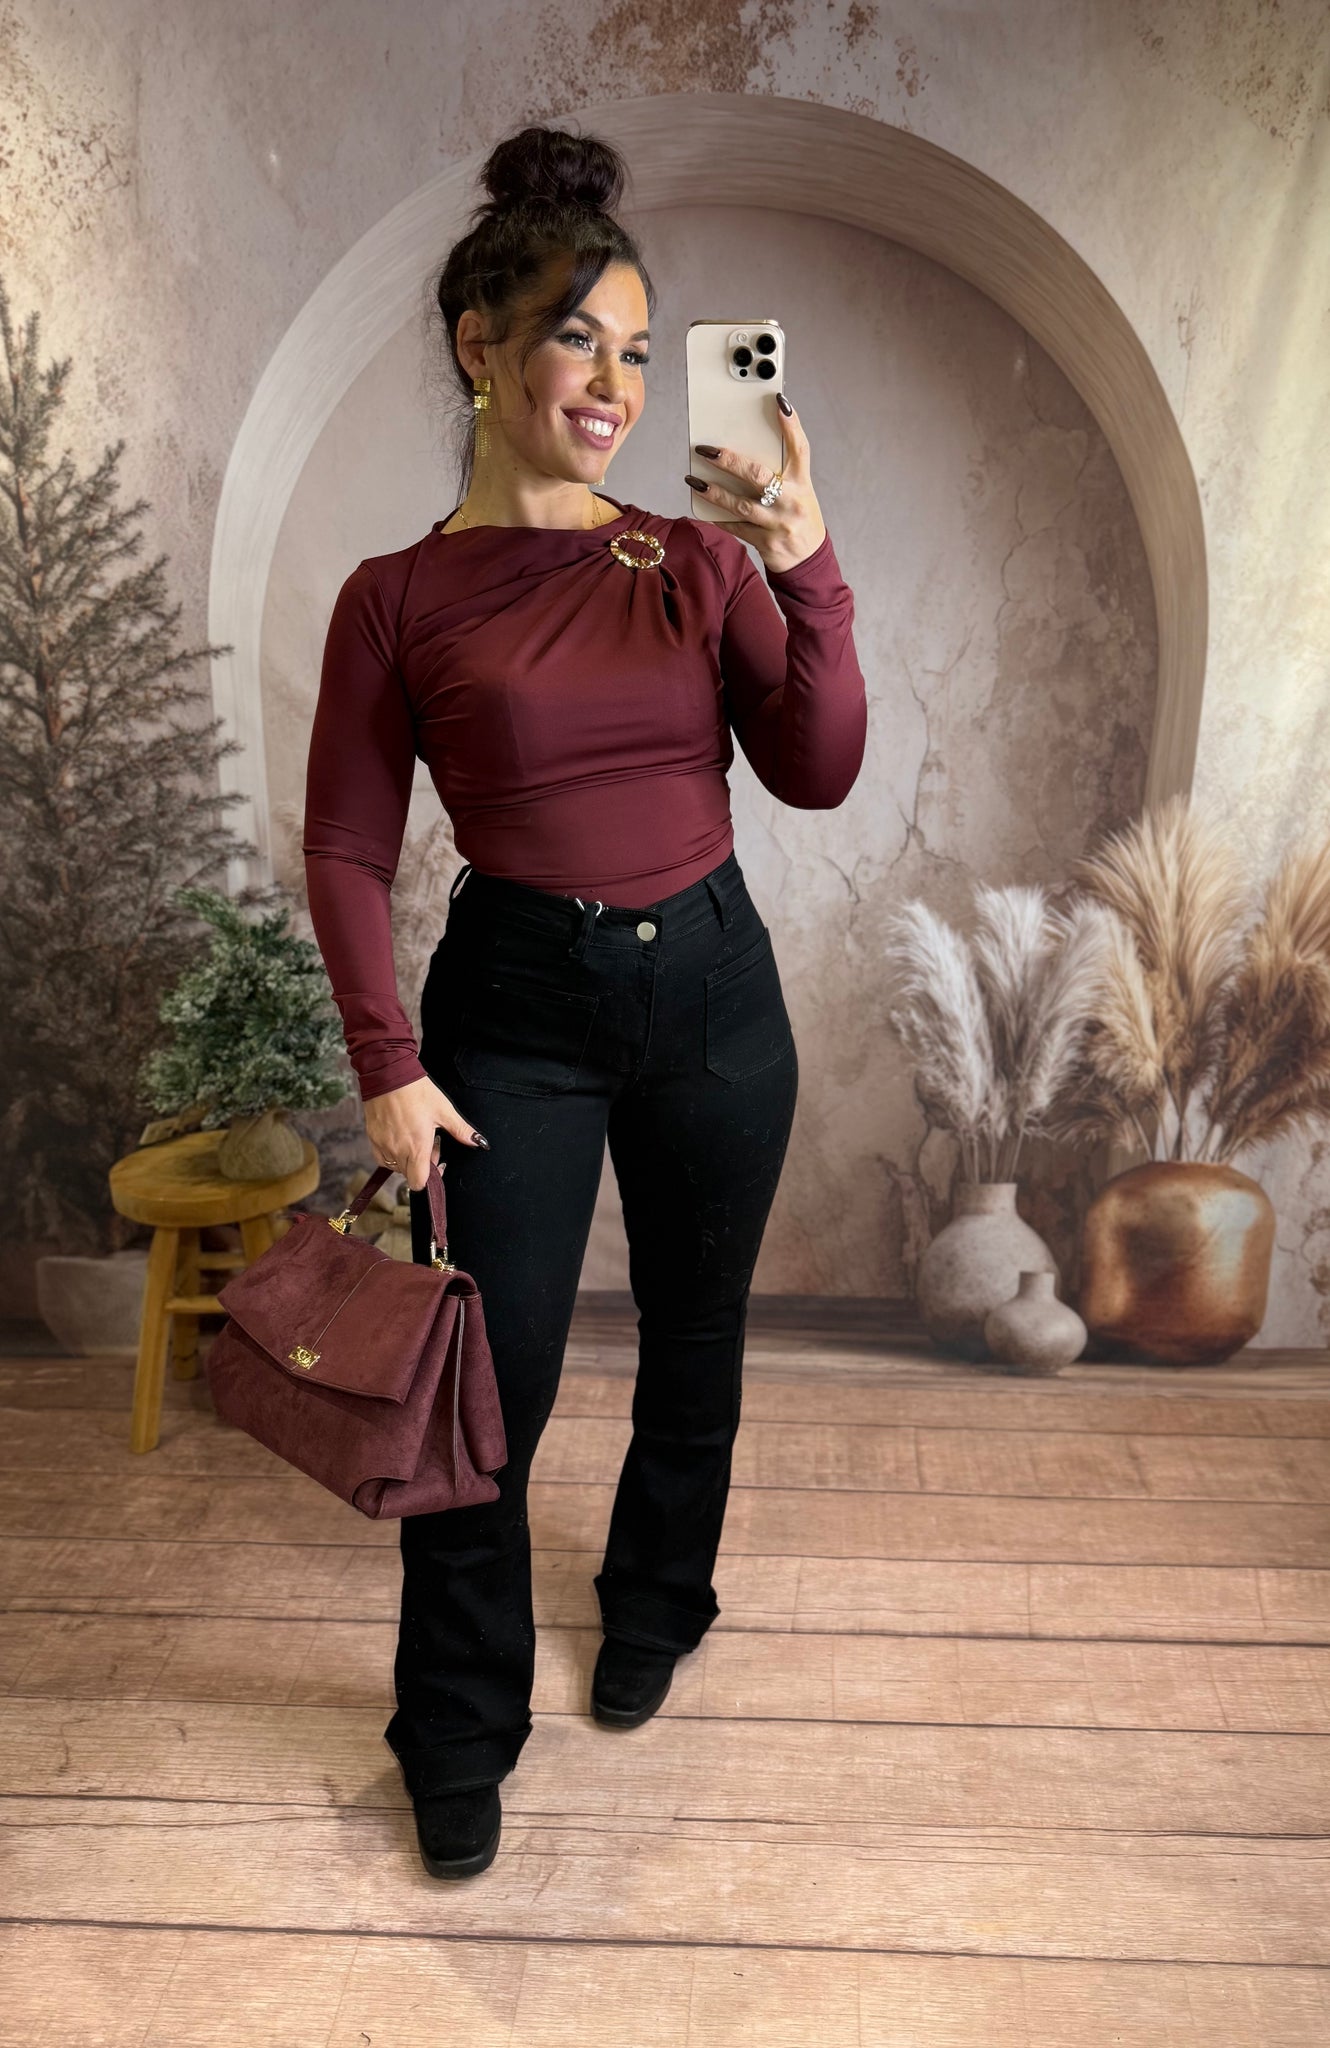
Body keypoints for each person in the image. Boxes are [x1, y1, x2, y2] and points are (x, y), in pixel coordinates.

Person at [302, 122, 868, 1880]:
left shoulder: (693, 560)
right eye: (577, 341)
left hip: (713, 988)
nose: (617, 385)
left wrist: (802, 558)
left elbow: (818, 769)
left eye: (635, 348)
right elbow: (345, 845)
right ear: (479, 345)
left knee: (697, 1334)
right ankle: (456, 1727)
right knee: (491, 1384)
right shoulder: (394, 599)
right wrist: (387, 1064)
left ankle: (657, 1601)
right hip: (514, 1011)